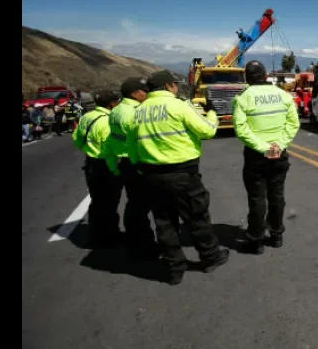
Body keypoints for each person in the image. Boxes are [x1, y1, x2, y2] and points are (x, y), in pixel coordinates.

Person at [129, 70, 229, 285]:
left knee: (165, 222)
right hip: (183, 173)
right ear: (167, 86)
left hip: (152, 175)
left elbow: (132, 148)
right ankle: (210, 257)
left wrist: (142, 169)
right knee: (196, 217)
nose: (176, 87)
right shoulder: (179, 106)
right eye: (174, 84)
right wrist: (212, 114)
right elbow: (207, 131)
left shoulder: (138, 112)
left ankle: (174, 268)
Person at [232, 60, 300, 255]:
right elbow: (293, 124)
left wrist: (263, 148)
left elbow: (241, 129)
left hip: (256, 156)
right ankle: (277, 235)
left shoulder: (243, 98)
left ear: (247, 78)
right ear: (265, 76)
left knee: (257, 199)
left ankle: (256, 241)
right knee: (277, 195)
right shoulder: (283, 95)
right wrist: (279, 145)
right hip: (279, 154)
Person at [105, 77, 158, 259]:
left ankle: (135, 241)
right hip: (135, 162)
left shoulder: (117, 110)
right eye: (144, 90)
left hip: (125, 162)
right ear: (134, 93)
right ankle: (143, 246)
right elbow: (139, 140)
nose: (147, 93)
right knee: (140, 207)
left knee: (135, 205)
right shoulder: (132, 113)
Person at [72, 90, 122, 248]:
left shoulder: (87, 117)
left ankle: (95, 235)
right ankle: (110, 237)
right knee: (110, 203)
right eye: (117, 101)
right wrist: (115, 170)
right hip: (105, 166)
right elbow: (109, 150)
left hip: (91, 164)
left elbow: (76, 138)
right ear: (111, 104)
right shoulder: (108, 121)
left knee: (96, 201)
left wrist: (89, 150)